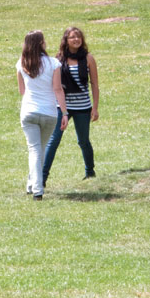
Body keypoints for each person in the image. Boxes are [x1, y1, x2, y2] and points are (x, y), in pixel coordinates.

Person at [42, 25, 99, 185]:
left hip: (83, 107)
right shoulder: (58, 59)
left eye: (78, 37)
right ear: (66, 40)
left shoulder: (88, 58)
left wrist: (95, 107)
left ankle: (90, 172)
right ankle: (43, 177)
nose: (76, 40)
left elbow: (94, 84)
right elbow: (54, 85)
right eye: (72, 37)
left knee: (83, 141)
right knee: (54, 141)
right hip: (62, 107)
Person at [16, 30, 68, 200]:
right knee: (40, 149)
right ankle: (37, 189)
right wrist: (65, 113)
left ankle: (33, 185)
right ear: (41, 44)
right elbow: (58, 89)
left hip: (29, 111)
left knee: (35, 149)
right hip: (49, 112)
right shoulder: (53, 63)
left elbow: (22, 91)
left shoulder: (21, 63)